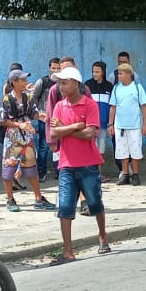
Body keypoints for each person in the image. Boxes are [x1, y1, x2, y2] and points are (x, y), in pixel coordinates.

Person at [48, 66, 110, 262]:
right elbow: (53, 133)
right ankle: (68, 251)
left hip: (89, 163)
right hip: (66, 163)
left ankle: (102, 235)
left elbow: (90, 134)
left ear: (76, 84)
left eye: (64, 83)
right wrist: (75, 126)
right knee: (65, 207)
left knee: (94, 202)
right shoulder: (59, 106)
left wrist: (65, 130)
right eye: (59, 83)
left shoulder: (89, 105)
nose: (61, 86)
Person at [0, 69, 53, 212]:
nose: (25, 82)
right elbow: (2, 120)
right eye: (22, 80)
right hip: (12, 138)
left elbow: (33, 113)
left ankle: (38, 198)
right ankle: (10, 199)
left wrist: (41, 116)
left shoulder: (28, 98)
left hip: (27, 137)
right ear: (14, 82)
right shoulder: (6, 99)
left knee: (31, 168)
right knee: (9, 167)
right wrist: (19, 124)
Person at [108, 63, 146, 186]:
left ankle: (135, 175)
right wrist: (111, 124)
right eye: (118, 73)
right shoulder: (116, 88)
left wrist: (145, 124)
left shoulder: (137, 88)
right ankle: (125, 174)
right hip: (120, 126)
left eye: (121, 73)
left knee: (135, 151)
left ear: (129, 74)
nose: (119, 76)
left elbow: (144, 107)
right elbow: (113, 107)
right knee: (122, 152)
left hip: (135, 126)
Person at [30, 57, 62, 179]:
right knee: (44, 146)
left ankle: (59, 172)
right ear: (49, 68)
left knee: (60, 145)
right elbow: (34, 98)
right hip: (45, 119)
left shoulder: (63, 82)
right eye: (53, 68)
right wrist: (39, 114)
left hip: (60, 119)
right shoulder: (43, 82)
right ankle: (41, 172)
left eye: (58, 68)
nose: (56, 70)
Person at [86, 61, 115, 169]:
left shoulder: (109, 86)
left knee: (101, 149)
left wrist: (110, 123)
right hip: (91, 124)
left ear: (103, 72)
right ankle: (91, 172)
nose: (94, 74)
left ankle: (99, 173)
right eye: (93, 72)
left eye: (97, 72)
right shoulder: (87, 85)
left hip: (103, 123)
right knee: (91, 147)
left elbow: (112, 105)